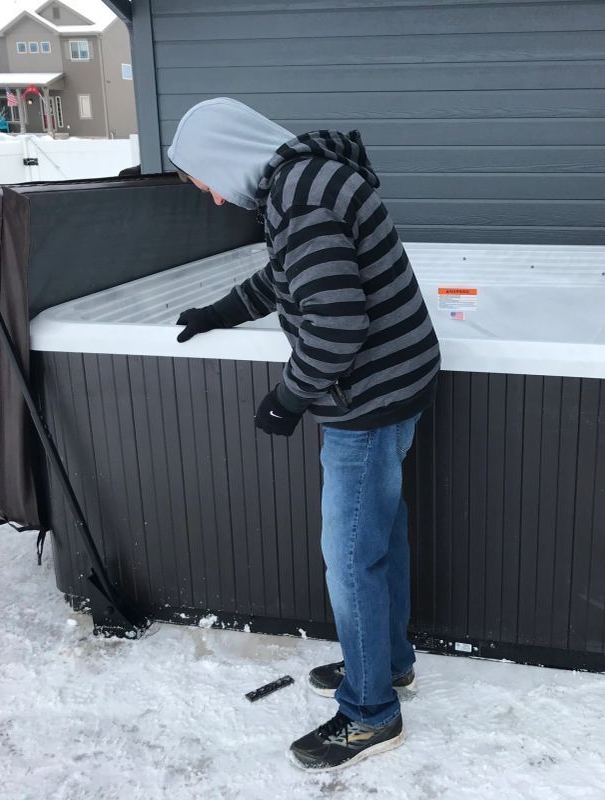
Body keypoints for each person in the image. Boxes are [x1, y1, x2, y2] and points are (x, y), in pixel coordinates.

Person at [168, 98, 441, 771]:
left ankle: (369, 713)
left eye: (200, 177)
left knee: (350, 557)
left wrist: (286, 400)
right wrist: (224, 310)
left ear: (224, 156)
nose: (208, 194)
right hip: (398, 382)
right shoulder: (305, 180)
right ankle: (390, 664)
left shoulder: (301, 199)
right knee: (379, 536)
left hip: (368, 399)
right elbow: (291, 276)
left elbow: (337, 329)